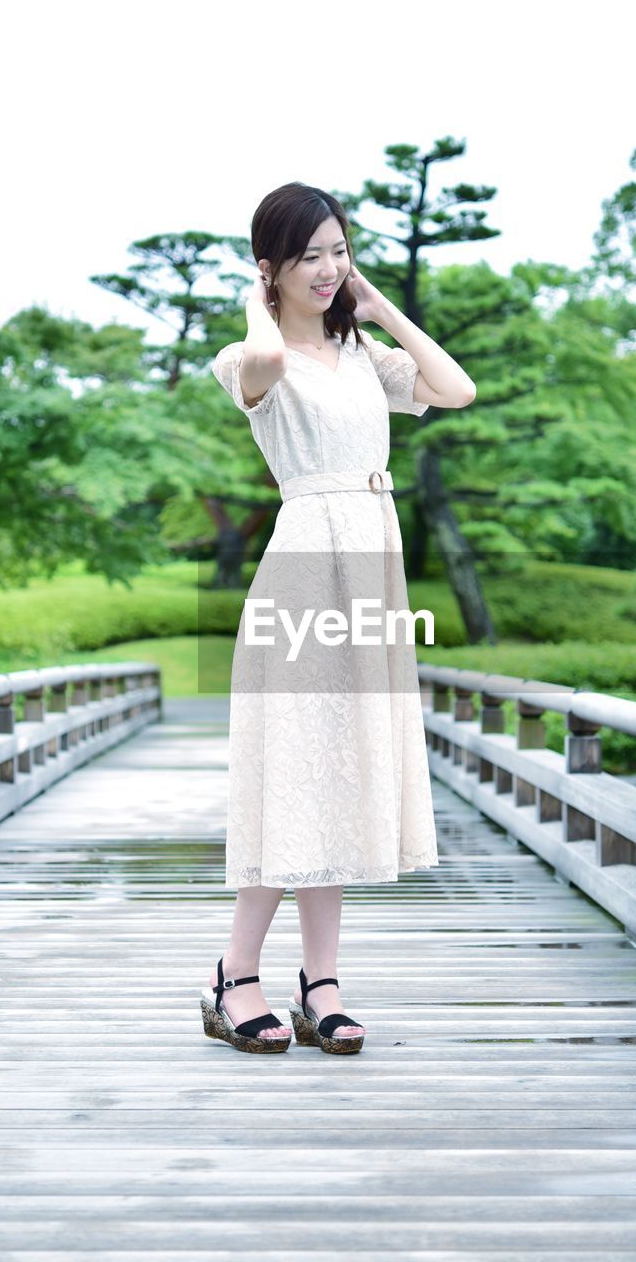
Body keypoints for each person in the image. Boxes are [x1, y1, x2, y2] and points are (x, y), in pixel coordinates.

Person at [201, 182, 476, 1054]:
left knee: (342, 773)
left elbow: (455, 388)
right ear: (271, 267)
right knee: (295, 773)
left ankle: (321, 983)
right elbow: (267, 365)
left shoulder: (364, 359)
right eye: (308, 256)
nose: (328, 270)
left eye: (338, 251)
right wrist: (262, 303)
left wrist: (378, 304)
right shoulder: (251, 359)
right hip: (302, 576)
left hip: (371, 573)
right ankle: (233, 977)